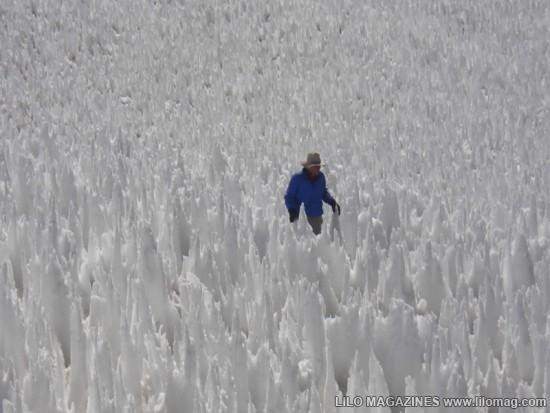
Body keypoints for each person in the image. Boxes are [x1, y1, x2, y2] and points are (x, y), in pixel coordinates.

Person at [284, 152, 341, 235]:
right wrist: (292, 209)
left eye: (319, 167)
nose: (318, 169)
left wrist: (332, 201)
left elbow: (323, 192)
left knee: (317, 243)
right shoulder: (297, 179)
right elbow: (289, 196)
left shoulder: (321, 177)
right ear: (309, 167)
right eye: (316, 167)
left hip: (317, 217)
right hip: (301, 217)